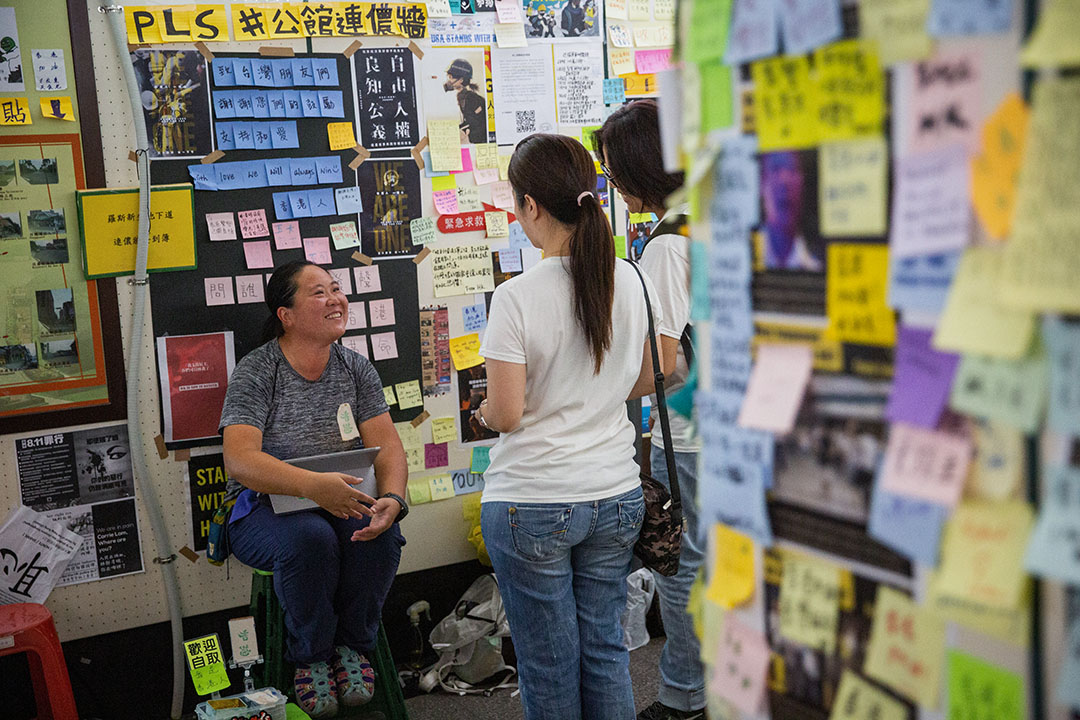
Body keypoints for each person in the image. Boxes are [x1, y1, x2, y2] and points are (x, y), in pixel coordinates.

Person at [476, 133, 664, 720]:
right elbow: (655, 373)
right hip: (615, 494)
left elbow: (505, 414)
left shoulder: (515, 297)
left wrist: (481, 412)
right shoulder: (629, 277)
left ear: (531, 204)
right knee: (607, 651)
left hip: (532, 500)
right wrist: (595, 393)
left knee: (549, 663)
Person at [220, 261, 409, 719]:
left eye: (336, 289)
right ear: (286, 314)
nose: (335, 300)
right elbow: (240, 460)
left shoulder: (355, 367)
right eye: (319, 292)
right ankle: (311, 657)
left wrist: (394, 500)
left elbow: (388, 448)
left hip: (337, 499)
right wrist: (311, 487)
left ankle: (353, 649)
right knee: (310, 538)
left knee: (378, 532)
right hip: (259, 510)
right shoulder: (258, 370)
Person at [593, 100, 704, 720]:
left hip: (685, 434)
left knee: (680, 566)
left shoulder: (667, 246)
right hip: (737, 429)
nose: (613, 185)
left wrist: (596, 391)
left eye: (614, 171)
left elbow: (667, 364)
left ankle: (685, 698)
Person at [760, 151, 822, 271]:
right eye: (776, 169)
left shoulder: (817, 261)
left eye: (792, 170)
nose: (785, 181)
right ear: (762, 183)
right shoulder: (745, 251)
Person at [444, 58, 487, 144]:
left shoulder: (471, 98)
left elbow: (477, 123)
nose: (449, 81)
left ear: (461, 80)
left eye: (451, 77)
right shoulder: (463, 96)